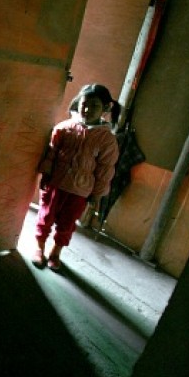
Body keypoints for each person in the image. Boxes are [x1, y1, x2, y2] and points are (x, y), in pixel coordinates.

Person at [32, 83, 120, 270]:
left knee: (67, 223)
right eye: (84, 104)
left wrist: (96, 194)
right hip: (56, 183)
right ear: (78, 103)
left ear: (105, 109)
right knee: (45, 217)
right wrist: (46, 174)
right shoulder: (64, 128)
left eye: (94, 106)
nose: (87, 109)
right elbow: (51, 152)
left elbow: (105, 170)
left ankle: (55, 253)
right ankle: (39, 249)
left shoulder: (107, 140)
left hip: (80, 191)